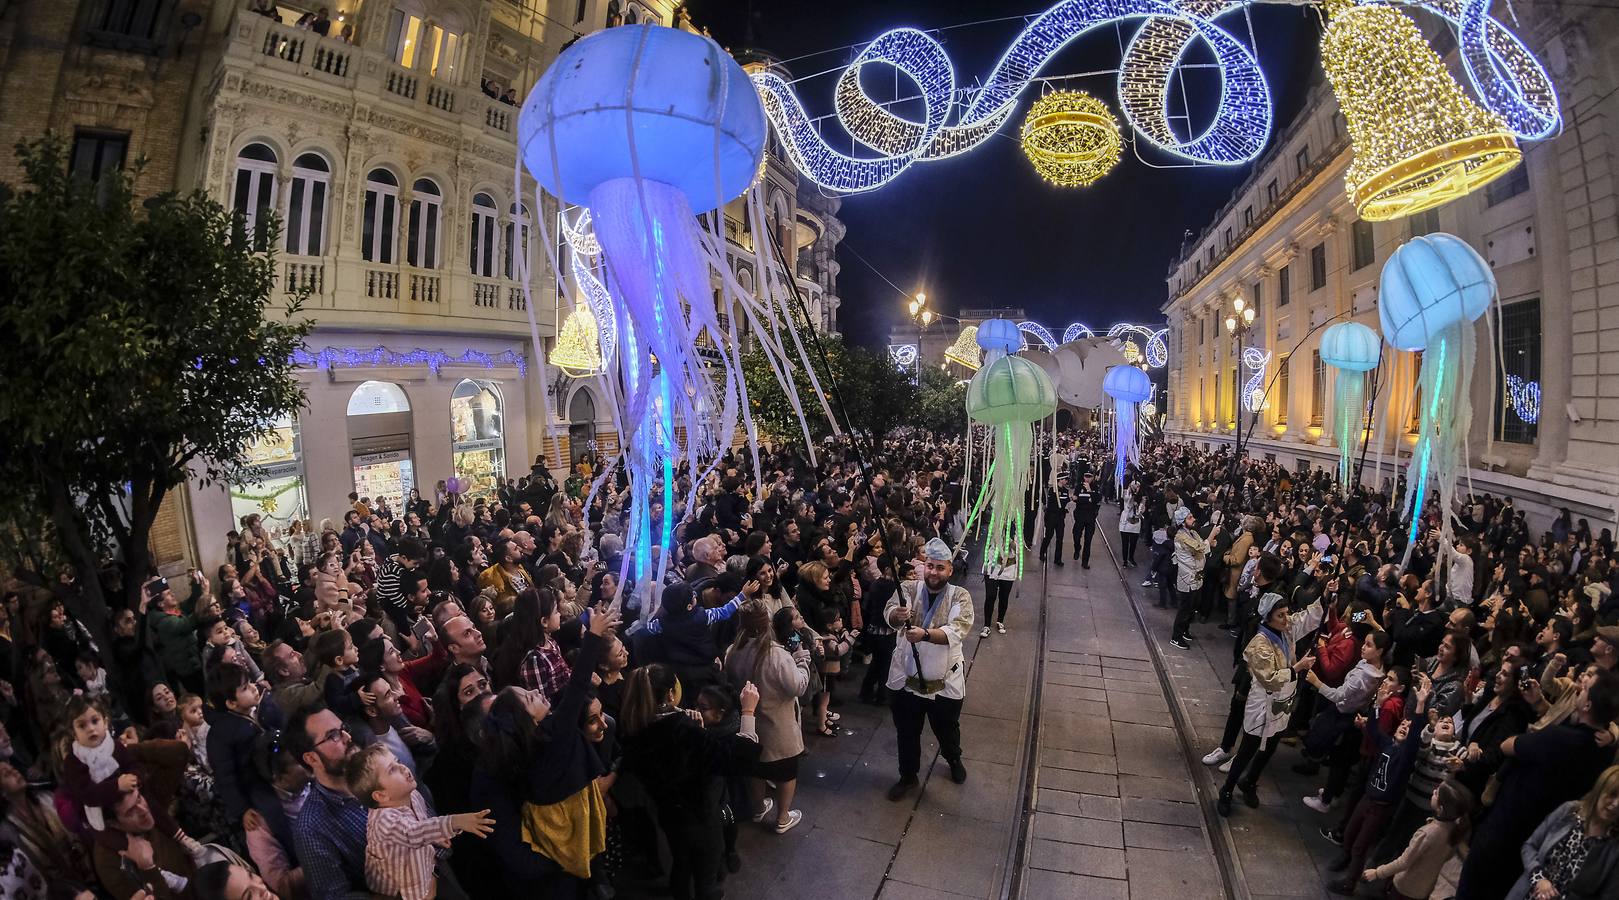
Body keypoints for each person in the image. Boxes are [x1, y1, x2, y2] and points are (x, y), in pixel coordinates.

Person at [883, 537, 974, 801]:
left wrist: (923, 634)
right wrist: (896, 616)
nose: (933, 572)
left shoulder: (960, 596)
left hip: (944, 684)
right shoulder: (908, 589)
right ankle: (908, 776)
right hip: (906, 680)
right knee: (907, 734)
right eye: (930, 566)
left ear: (950, 570)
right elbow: (890, 611)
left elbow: (958, 629)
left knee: (947, 730)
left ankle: (953, 758)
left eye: (940, 568)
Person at [1217, 591, 1322, 816]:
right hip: (1264, 701)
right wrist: (1298, 668)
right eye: (1281, 615)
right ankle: (1227, 789)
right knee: (1249, 747)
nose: (1287, 619)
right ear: (1268, 618)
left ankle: (1250, 781)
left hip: (1283, 701)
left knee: (1271, 745)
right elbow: (1270, 678)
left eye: (1287, 613)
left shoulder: (1287, 629)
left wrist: (1327, 596)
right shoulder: (1259, 644)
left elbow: (1308, 618)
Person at [346, 744, 493, 900]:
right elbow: (412, 833)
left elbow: (422, 826)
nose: (402, 767)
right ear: (381, 796)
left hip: (426, 869)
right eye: (391, 770)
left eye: (397, 761)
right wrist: (455, 821)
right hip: (403, 893)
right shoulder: (384, 822)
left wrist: (434, 835)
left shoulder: (412, 794)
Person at [723, 600, 812, 834]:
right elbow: (798, 687)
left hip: (749, 725)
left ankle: (758, 807)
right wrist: (802, 659)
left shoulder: (732, 651)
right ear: (767, 624)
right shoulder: (777, 655)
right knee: (785, 773)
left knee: (756, 769)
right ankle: (782, 818)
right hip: (778, 728)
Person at [1507, 764, 1619, 900]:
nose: (1615, 804)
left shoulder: (1614, 847)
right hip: (1525, 894)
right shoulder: (1569, 811)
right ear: (1600, 790)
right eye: (1612, 795)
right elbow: (1529, 846)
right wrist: (1539, 878)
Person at [1169, 507, 1210, 650]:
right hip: (1187, 575)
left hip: (1197, 574)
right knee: (1185, 608)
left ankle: (1185, 629)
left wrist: (1206, 544)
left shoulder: (1192, 533)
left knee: (1193, 605)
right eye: (1190, 518)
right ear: (1182, 522)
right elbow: (1200, 548)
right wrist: (1210, 539)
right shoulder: (1181, 536)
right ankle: (1176, 636)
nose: (1193, 520)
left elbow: (1203, 547)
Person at [980, 550, 1015, 639]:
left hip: (1009, 566)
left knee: (1004, 596)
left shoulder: (1018, 536)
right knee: (990, 596)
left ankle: (1000, 621)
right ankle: (986, 625)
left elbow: (1020, 545)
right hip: (993, 563)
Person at [1070, 473, 1100, 569]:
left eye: (1089, 477)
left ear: (1093, 478)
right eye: (1086, 477)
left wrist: (1089, 491)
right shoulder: (1079, 486)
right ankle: (1077, 548)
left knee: (1088, 540)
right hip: (1080, 515)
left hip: (1090, 516)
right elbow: (1075, 499)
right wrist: (1088, 500)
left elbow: (1097, 499)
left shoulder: (1096, 487)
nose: (1087, 479)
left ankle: (1085, 561)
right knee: (1076, 535)